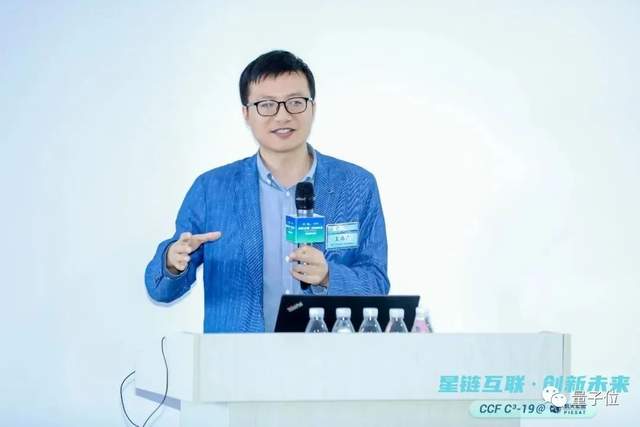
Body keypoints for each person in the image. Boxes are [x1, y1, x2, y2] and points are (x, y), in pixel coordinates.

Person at [145, 50, 390, 332]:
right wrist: (172, 262)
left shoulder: (356, 185)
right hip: (238, 356)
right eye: (267, 105)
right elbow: (160, 290)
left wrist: (328, 276)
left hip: (329, 353)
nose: (282, 115)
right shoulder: (211, 189)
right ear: (246, 114)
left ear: (313, 108)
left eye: (295, 102)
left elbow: (377, 283)